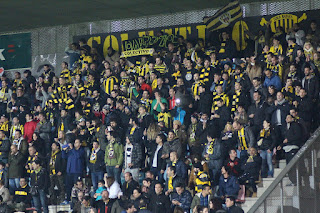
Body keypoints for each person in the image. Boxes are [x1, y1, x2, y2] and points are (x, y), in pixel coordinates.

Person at [62, 138, 85, 203]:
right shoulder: (71, 150)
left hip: (77, 171)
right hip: (69, 171)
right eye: (74, 142)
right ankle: (68, 199)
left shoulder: (81, 150)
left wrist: (72, 149)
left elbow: (78, 156)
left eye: (77, 142)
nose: (75, 144)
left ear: (80, 144)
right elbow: (64, 157)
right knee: (68, 186)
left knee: (77, 186)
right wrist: (63, 150)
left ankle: (78, 200)